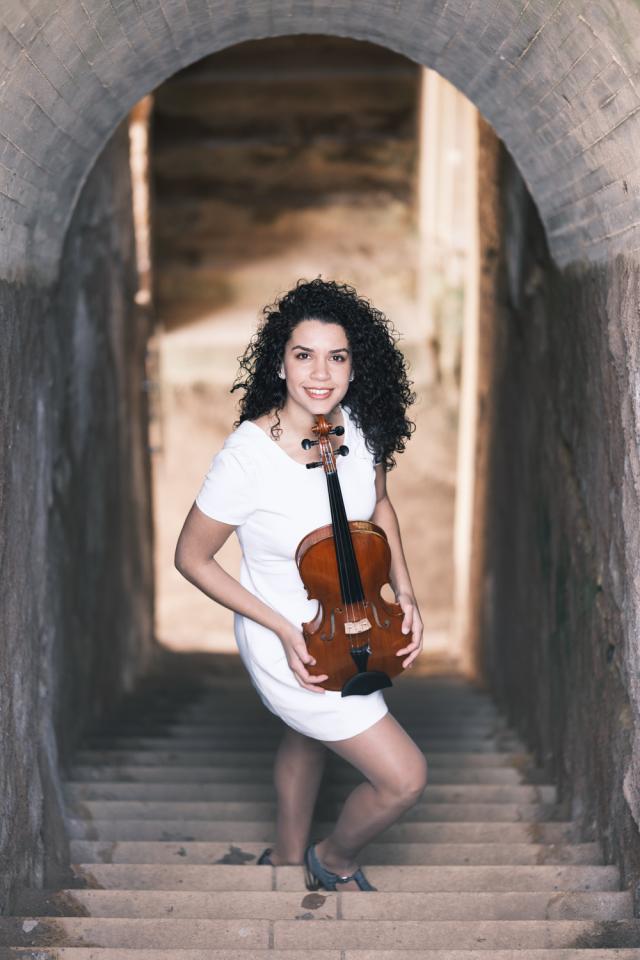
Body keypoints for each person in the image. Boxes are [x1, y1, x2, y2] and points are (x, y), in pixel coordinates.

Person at [174, 278, 427, 891]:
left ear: (354, 364)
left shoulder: (361, 427)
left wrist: (406, 591)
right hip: (285, 635)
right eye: (303, 355)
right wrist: (284, 629)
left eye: (336, 357)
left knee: (306, 737)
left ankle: (286, 859)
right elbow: (192, 558)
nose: (321, 373)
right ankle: (331, 860)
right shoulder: (248, 457)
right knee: (404, 778)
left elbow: (381, 507)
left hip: (354, 618)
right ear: (279, 363)